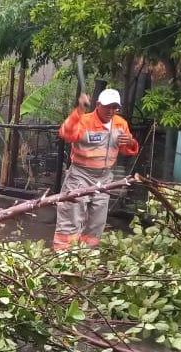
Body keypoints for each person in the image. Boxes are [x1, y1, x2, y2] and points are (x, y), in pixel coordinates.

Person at [53, 88, 139, 251]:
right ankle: (62, 256)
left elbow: (127, 150)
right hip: (80, 176)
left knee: (96, 224)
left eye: (114, 107)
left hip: (104, 179)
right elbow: (65, 133)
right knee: (71, 219)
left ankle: (87, 257)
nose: (111, 111)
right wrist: (79, 110)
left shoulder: (120, 124)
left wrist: (130, 142)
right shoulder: (84, 121)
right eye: (107, 106)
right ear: (98, 105)